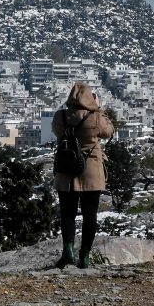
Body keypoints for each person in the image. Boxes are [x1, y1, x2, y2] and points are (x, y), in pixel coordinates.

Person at [51, 82, 114, 268]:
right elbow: (109, 131)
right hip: (91, 170)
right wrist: (99, 109)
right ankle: (85, 255)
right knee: (90, 215)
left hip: (66, 169)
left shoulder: (60, 116)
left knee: (67, 214)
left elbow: (56, 132)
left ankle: (68, 252)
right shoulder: (95, 117)